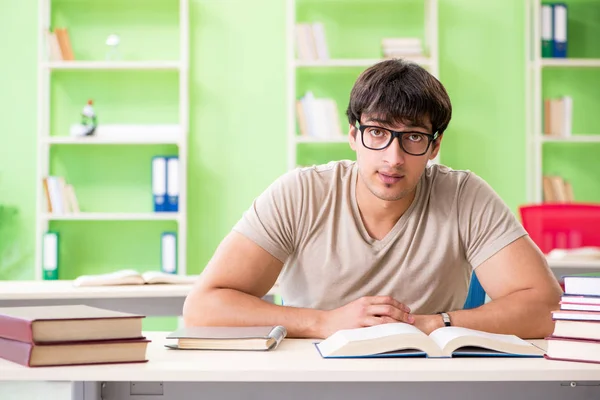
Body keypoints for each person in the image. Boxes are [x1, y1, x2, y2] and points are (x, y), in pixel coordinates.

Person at [183, 59, 562, 339]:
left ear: (435, 146)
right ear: (353, 135)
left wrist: (434, 323)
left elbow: (546, 306)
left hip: (429, 380)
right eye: (378, 132)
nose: (393, 158)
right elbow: (202, 308)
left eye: (413, 136)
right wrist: (325, 322)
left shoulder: (465, 195)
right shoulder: (300, 192)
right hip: (313, 379)